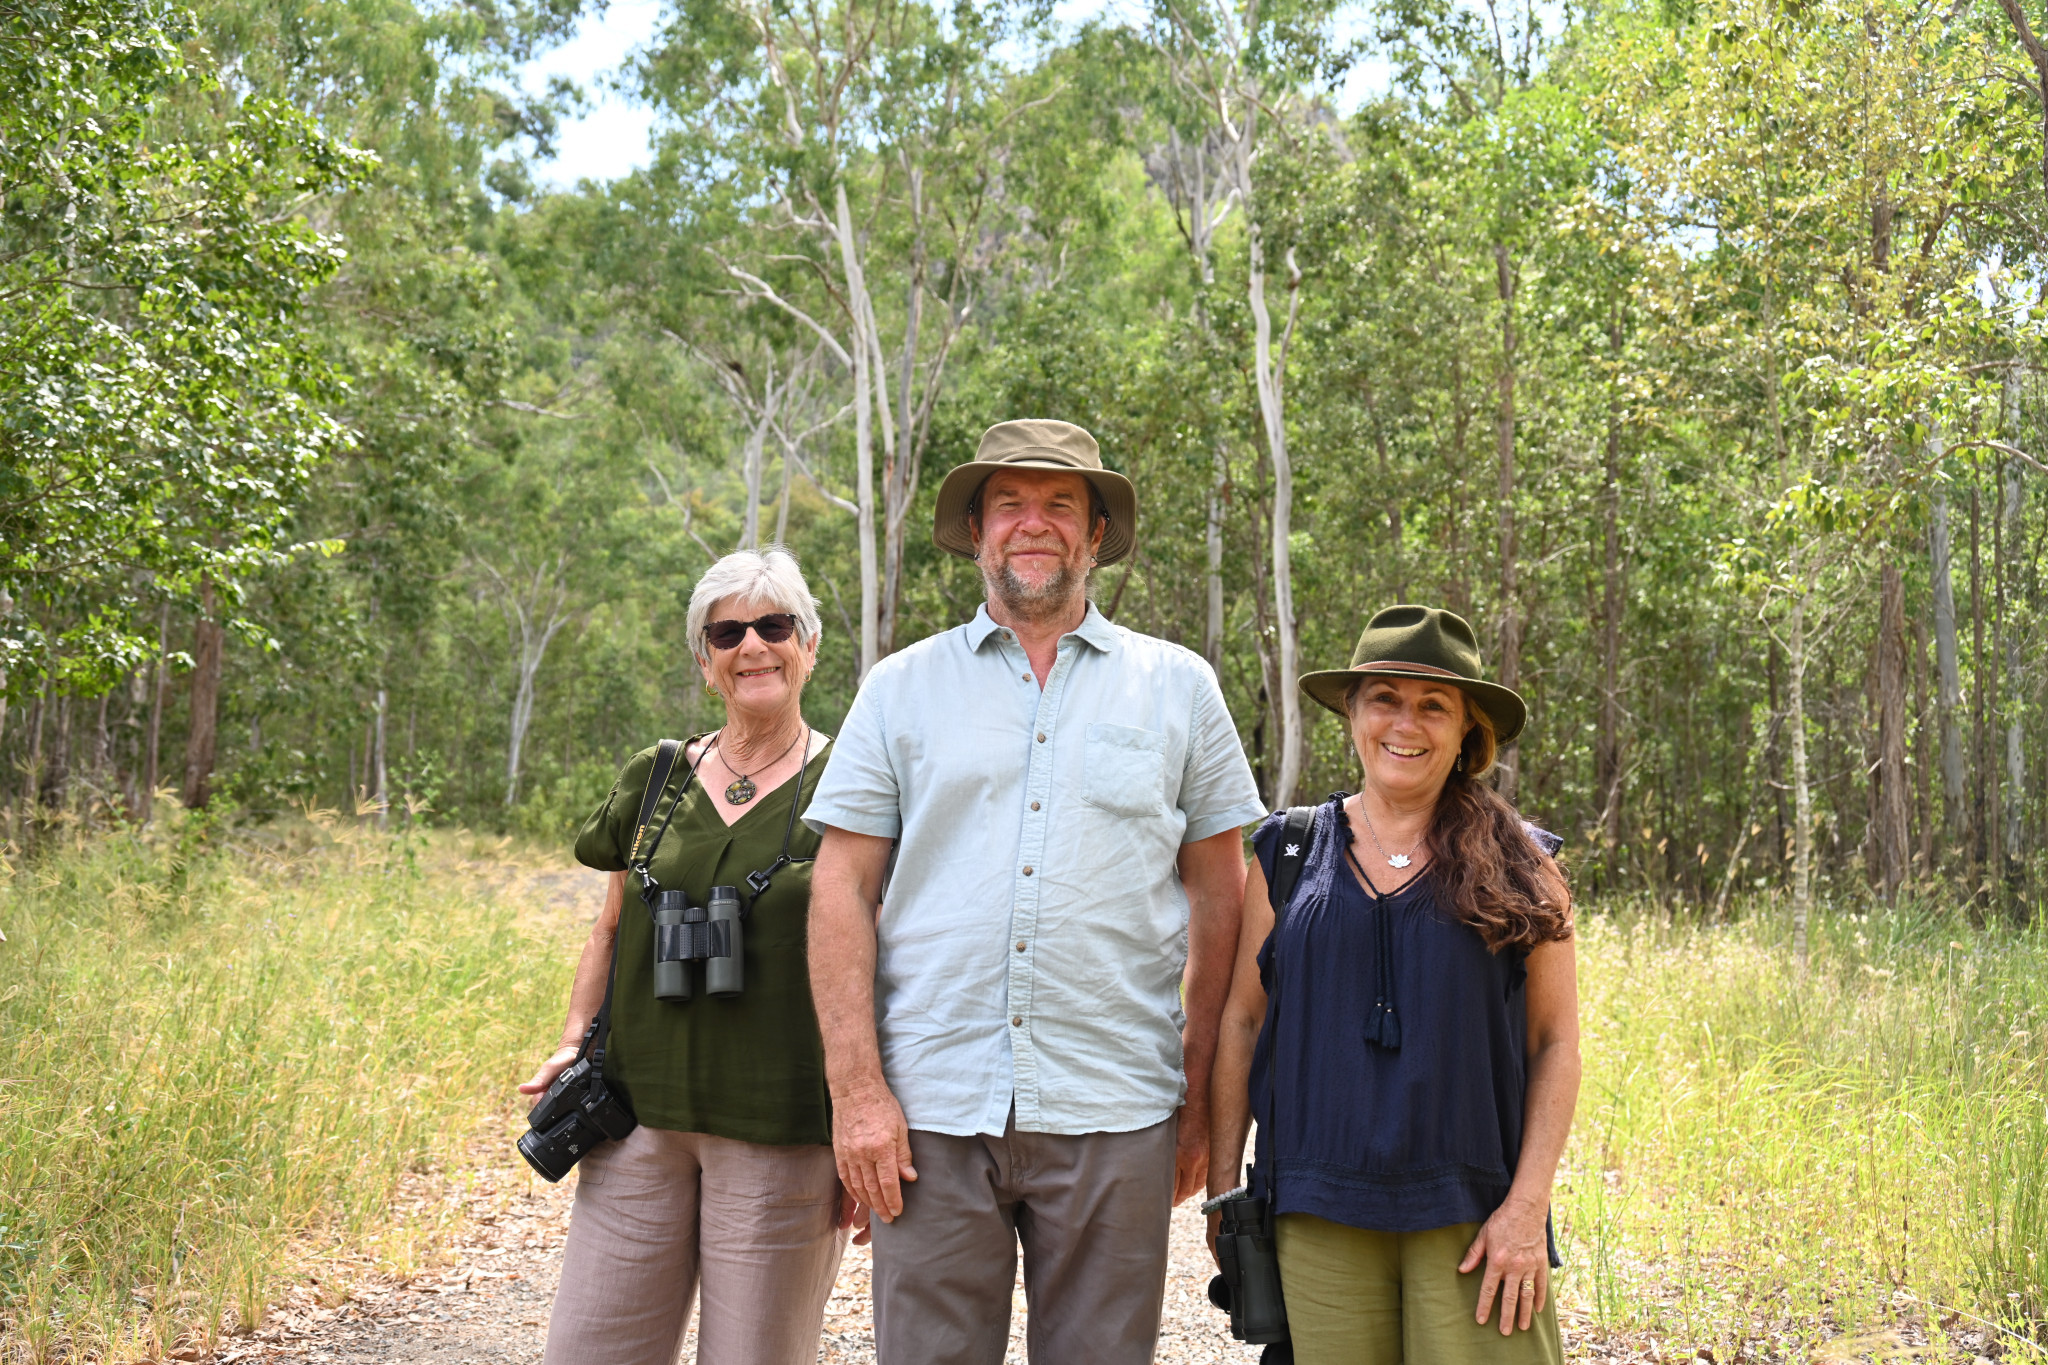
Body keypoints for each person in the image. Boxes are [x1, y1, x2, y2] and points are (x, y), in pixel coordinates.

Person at [803, 418, 1267, 1365]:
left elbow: (1224, 897)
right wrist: (857, 1091)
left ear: (1097, 534)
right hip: (932, 1102)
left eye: (1062, 504)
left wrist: (1197, 1088)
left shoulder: (1180, 688)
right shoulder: (900, 688)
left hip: (1117, 1099)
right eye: (1008, 503)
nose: (1034, 523)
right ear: (975, 532)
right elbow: (841, 886)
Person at [1208, 604, 1581, 1365]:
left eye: (1432, 705)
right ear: (1352, 712)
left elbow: (1555, 1043)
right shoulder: (1287, 852)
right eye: (1384, 697)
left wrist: (1526, 1207)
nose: (1404, 723)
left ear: (1467, 730)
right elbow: (1243, 1025)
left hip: (1474, 1215)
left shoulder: (1524, 864)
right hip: (1317, 1207)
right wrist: (1224, 1189)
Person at [522, 547, 854, 1365]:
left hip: (780, 1127)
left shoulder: (852, 779)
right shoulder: (659, 774)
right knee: (590, 1349)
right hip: (634, 1119)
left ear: (809, 644)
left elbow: (884, 956)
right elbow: (608, 927)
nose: (753, 646)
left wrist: (867, 1111)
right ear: (705, 662)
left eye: (774, 625)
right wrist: (573, 1037)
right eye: (728, 631)